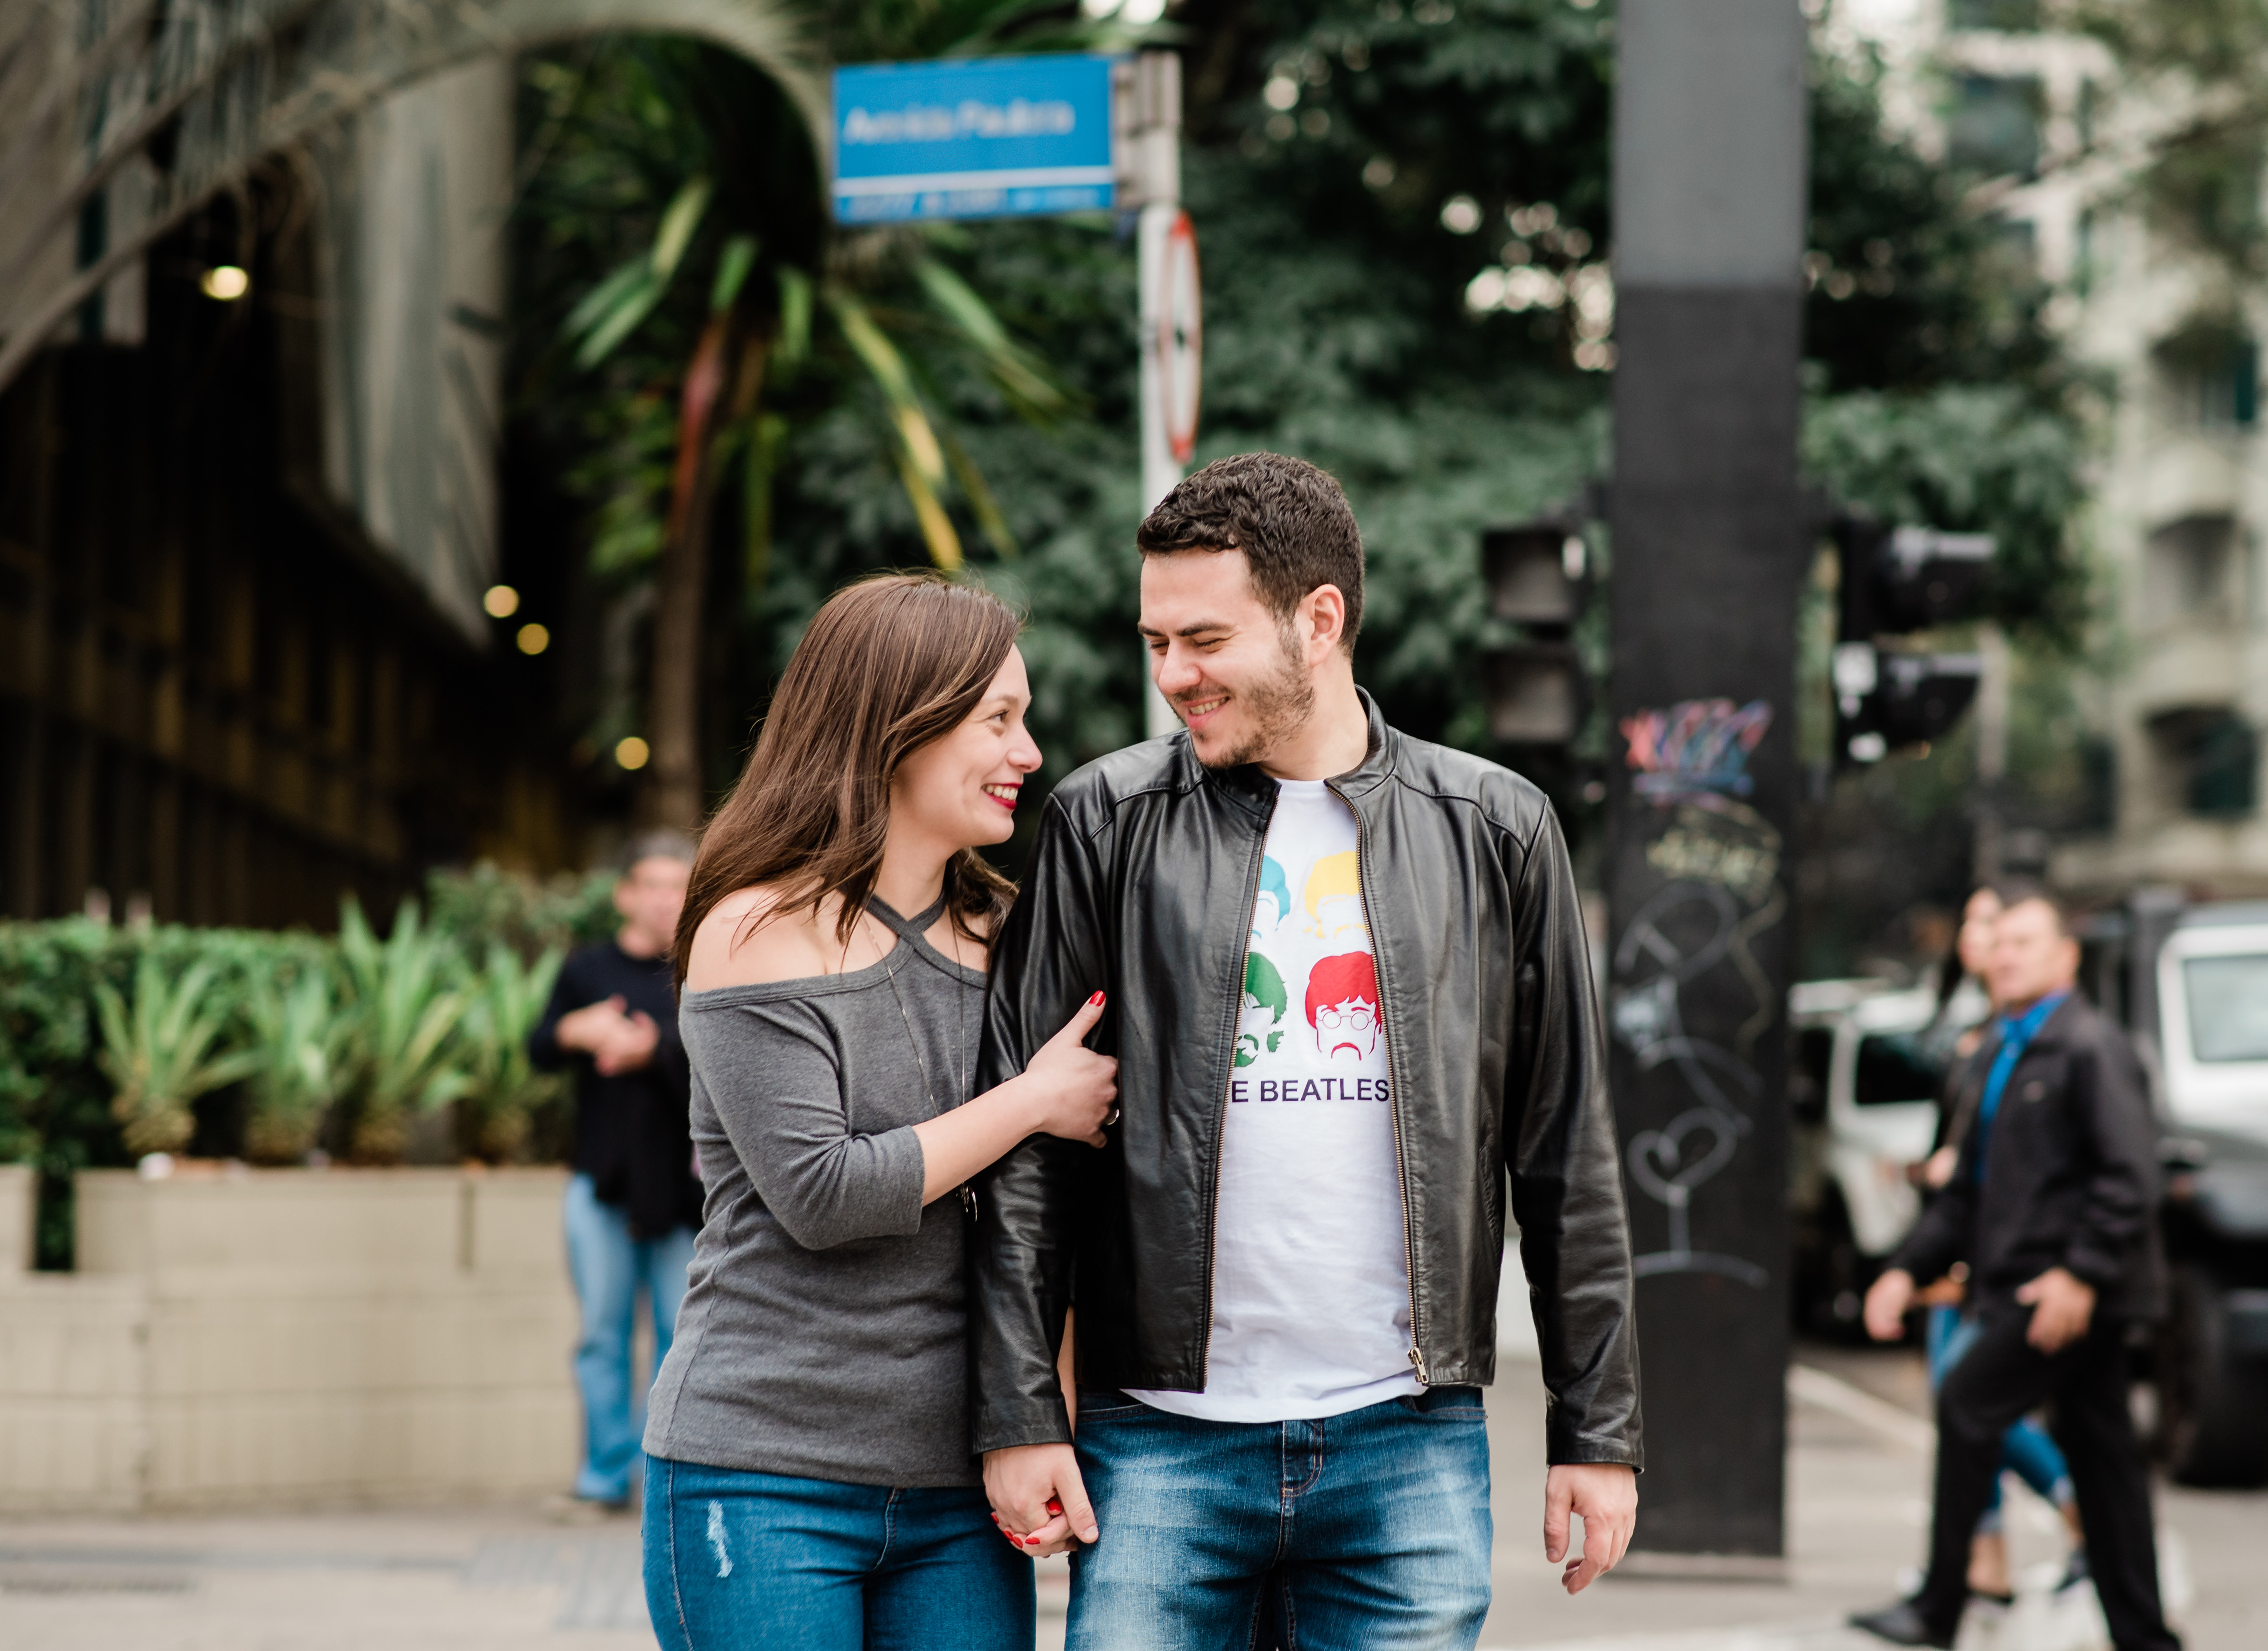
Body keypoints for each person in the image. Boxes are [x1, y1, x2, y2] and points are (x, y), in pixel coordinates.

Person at [971, 452, 1642, 1649]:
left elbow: (1563, 1154)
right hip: (1159, 1437)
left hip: (1407, 1439)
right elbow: (1029, 1155)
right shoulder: (1103, 822)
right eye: (1155, 641)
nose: (1172, 675)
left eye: (1204, 641)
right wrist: (1022, 1412)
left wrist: (1595, 1434)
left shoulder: (1493, 830)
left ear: (1317, 619)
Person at [639, 574, 1120, 1651]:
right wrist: (1032, 1101)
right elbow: (826, 1194)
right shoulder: (757, 927)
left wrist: (1052, 1419)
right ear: (896, 726)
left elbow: (1059, 1213)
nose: (1028, 752)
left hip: (960, 1488)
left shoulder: (1010, 935)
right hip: (762, 1477)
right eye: (998, 719)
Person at [1850, 886, 2179, 1651]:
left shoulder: (2089, 1047)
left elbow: (2132, 1177)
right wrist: (1906, 1270)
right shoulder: (2001, 1050)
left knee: (1967, 1401)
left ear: (2066, 958)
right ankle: (2145, 1635)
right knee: (2104, 1462)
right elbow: (1966, 1190)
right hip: (2031, 1285)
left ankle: (1940, 1607)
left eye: (2025, 942)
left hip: (2062, 1292)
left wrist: (2081, 1274)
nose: (2006, 954)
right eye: (2000, 942)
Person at [1916, 886, 2084, 1610]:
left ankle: (2080, 1514)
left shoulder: (2032, 1037)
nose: (1983, 939)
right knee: (1958, 1402)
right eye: (1977, 923)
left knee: (1970, 1399)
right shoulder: (1979, 1032)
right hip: (1959, 1246)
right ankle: (1984, 1557)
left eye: (2003, 928)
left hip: (1996, 1261)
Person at [529, 832, 704, 1513]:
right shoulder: (587, 970)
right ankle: (602, 1480)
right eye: (652, 885)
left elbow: (720, 1063)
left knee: (677, 1339)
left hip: (683, 1193)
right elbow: (539, 1048)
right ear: (625, 894)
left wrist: (651, 1047)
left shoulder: (703, 968)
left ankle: (663, 1481)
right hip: (599, 1185)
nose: (665, 900)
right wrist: (576, 1031)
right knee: (602, 1335)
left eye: (677, 886)